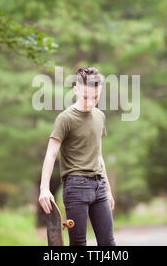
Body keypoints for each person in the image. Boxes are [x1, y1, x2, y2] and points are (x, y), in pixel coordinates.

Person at [38, 66, 116, 246]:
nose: (90, 102)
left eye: (95, 97)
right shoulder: (66, 118)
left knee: (108, 243)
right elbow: (51, 154)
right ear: (76, 89)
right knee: (79, 243)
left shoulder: (100, 116)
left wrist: (108, 190)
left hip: (100, 186)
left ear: (101, 91)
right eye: (86, 97)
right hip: (76, 187)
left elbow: (98, 154)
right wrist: (44, 188)